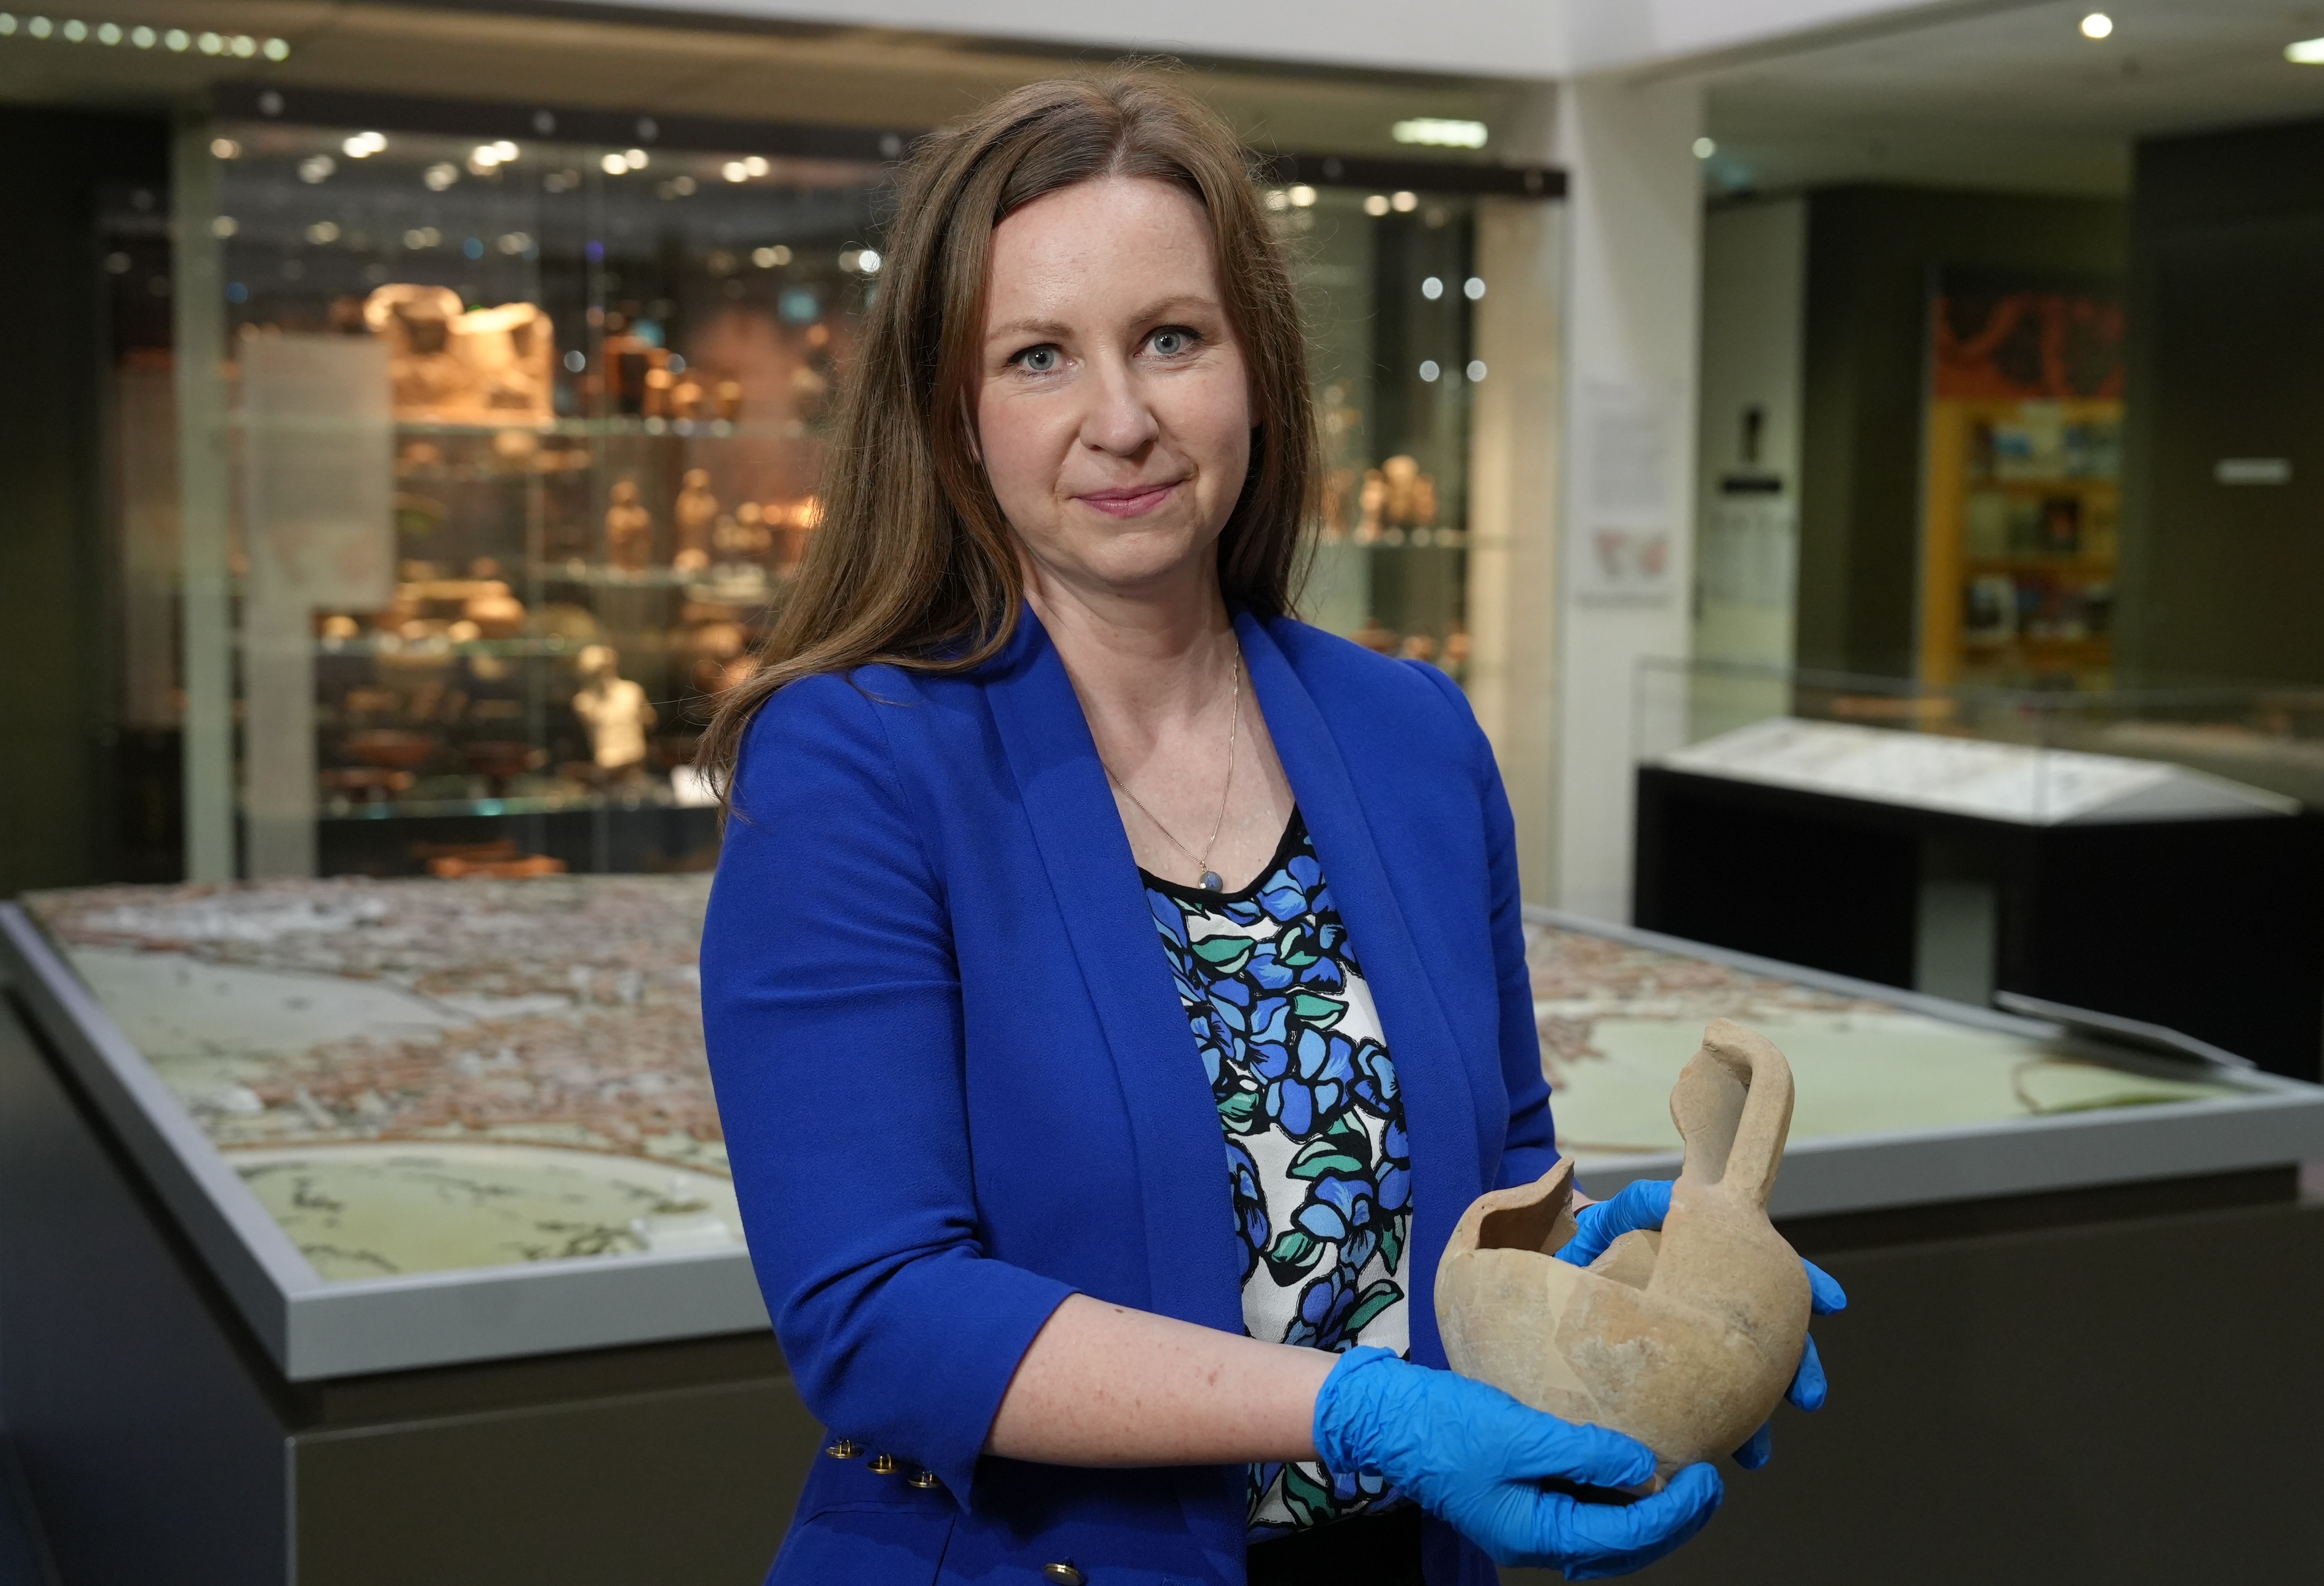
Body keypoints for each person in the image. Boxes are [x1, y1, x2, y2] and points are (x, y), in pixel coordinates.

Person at [697, 71, 1844, 1586]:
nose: (1124, 420)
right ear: (956, 416)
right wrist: (1357, 1408)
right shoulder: (853, 766)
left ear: (1256, 367)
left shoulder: (1411, 738)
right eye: (1040, 357)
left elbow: (1495, 1167)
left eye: (1173, 339)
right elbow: (880, 1313)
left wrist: (1604, 1298)